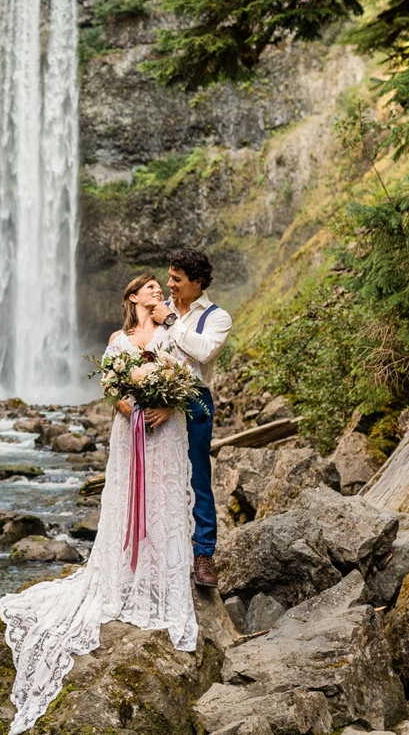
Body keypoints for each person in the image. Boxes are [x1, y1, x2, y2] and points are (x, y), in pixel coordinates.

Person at [0, 273, 199, 735]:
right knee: (126, 500)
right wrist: (130, 406)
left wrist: (165, 406)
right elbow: (111, 385)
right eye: (150, 289)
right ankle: (125, 576)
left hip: (165, 433)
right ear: (132, 297)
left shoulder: (170, 332)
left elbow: (185, 379)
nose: (158, 293)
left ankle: (162, 579)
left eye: (161, 288)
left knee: (164, 499)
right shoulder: (117, 339)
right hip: (130, 434)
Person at [150, 248, 232, 589]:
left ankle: (203, 555)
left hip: (196, 399)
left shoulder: (217, 317)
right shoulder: (157, 308)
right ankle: (157, 550)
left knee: (197, 476)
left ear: (197, 283)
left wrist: (169, 321)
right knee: (156, 474)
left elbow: (203, 352)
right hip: (155, 399)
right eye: (169, 277)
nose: (169, 284)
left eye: (177, 280)